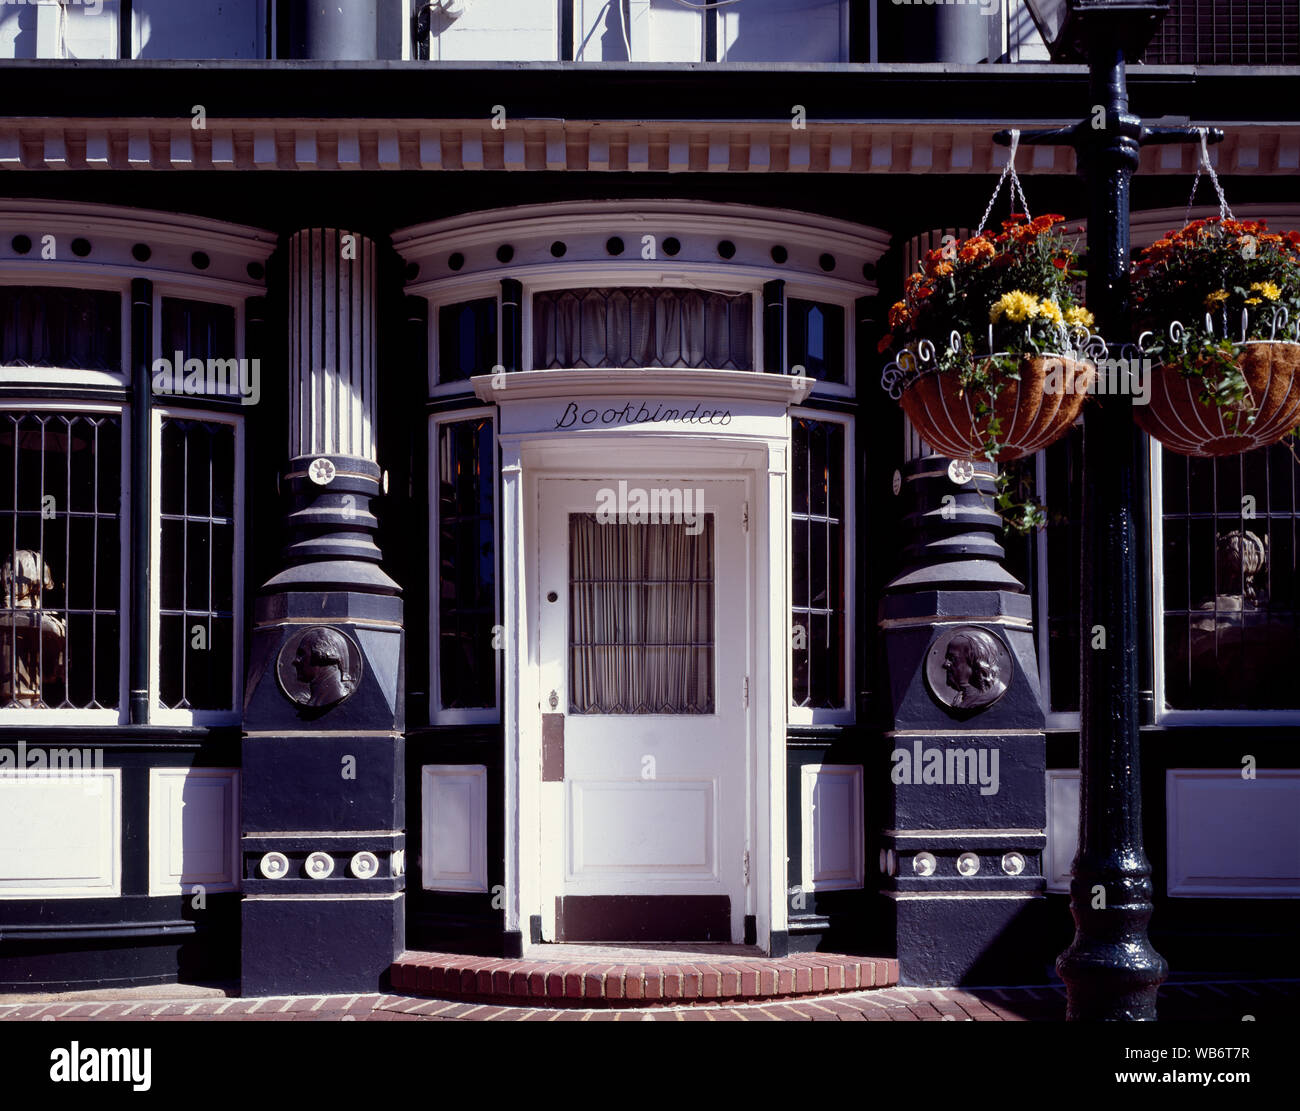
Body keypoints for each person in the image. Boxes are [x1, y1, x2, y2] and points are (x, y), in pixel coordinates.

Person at [942, 629, 1007, 709]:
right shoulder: (962, 697)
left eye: (952, 658)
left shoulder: (994, 693)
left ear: (976, 663)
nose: (945, 664)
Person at [290, 626, 355, 707]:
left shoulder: (335, 696)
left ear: (321, 655)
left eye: (301, 654)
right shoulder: (315, 700)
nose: (295, 661)